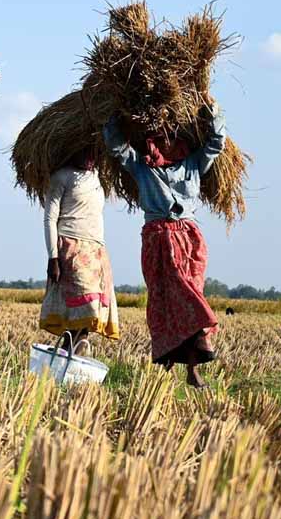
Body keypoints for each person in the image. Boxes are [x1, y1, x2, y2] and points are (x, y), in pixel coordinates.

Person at [104, 103, 226, 388]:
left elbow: (216, 143)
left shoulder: (193, 164)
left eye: (169, 140)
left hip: (190, 239)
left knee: (191, 294)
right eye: (158, 140)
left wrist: (213, 115)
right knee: (164, 300)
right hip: (158, 238)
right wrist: (113, 115)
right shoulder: (142, 167)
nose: (163, 145)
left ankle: (193, 367)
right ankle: (169, 365)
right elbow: (117, 148)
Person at [40, 147, 120, 353]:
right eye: (85, 152)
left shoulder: (97, 177)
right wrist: (53, 257)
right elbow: (50, 219)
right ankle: (68, 359)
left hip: (96, 251)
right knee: (85, 310)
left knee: (85, 320)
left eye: (94, 153)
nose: (89, 157)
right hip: (71, 248)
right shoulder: (61, 177)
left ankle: (65, 361)